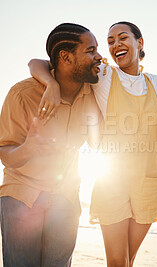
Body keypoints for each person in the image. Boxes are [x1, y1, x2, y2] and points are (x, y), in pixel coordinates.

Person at [28, 22, 157, 267]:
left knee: (128, 260)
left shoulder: (152, 82)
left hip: (149, 181)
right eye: (110, 41)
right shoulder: (103, 74)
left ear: (139, 42)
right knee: (117, 261)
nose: (115, 44)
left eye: (123, 37)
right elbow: (36, 63)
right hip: (114, 181)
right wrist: (51, 83)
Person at [0, 23, 102, 267]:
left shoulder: (95, 88)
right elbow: (4, 153)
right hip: (21, 197)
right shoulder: (22, 94)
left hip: (65, 198)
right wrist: (29, 149)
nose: (98, 56)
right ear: (65, 57)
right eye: (90, 51)